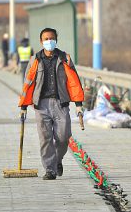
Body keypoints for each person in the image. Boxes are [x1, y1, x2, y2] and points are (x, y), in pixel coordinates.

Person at [18, 27, 84, 180]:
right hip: (41, 106)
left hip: (61, 104)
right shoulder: (35, 60)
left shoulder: (64, 58)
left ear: (56, 40)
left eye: (51, 38)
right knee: (45, 139)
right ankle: (50, 169)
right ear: (41, 41)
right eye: (46, 39)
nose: (49, 41)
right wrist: (23, 106)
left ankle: (57, 160)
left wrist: (79, 105)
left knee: (63, 137)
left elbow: (74, 82)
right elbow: (28, 84)